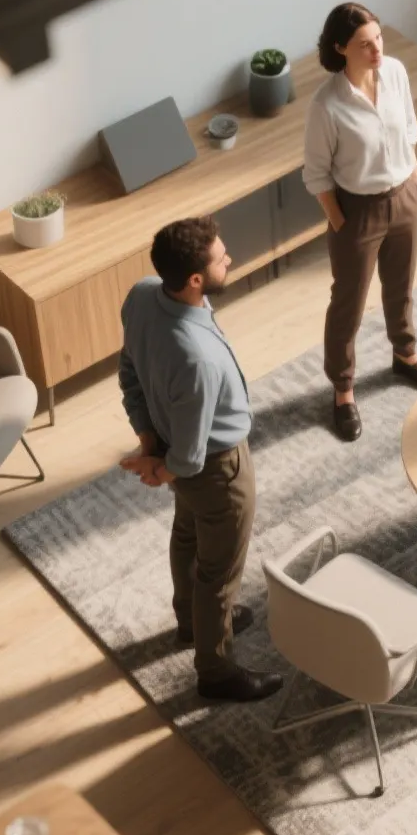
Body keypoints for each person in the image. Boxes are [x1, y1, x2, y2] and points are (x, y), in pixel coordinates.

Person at [117, 216, 284, 703]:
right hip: (219, 470)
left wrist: (149, 439)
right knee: (219, 573)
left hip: (178, 451)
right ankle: (216, 671)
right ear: (195, 279)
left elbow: (128, 369)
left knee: (187, 534)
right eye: (220, 258)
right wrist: (160, 468)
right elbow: (189, 458)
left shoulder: (142, 295)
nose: (228, 259)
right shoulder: (197, 359)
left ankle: (191, 622)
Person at [302, 1, 417, 443]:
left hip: (404, 197)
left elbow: (410, 130)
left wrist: (414, 179)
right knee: (348, 302)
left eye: (379, 38)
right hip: (357, 211)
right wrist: (340, 221)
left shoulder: (395, 73)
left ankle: (405, 354)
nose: (377, 49)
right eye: (365, 44)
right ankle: (343, 389)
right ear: (341, 48)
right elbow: (316, 174)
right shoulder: (326, 105)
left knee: (401, 286)